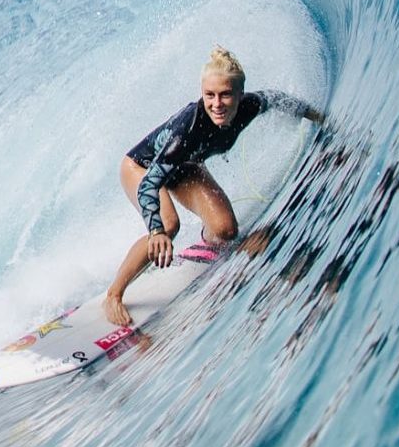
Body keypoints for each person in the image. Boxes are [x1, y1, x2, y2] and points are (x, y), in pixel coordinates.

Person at [103, 46, 325, 326]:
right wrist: (156, 231)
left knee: (226, 231)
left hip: (183, 165)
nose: (217, 104)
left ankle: (206, 245)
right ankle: (114, 294)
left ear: (240, 94)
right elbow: (150, 183)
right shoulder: (185, 133)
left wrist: (322, 118)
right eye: (209, 95)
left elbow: (278, 99)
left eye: (225, 95)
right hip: (142, 168)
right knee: (169, 225)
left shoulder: (250, 106)